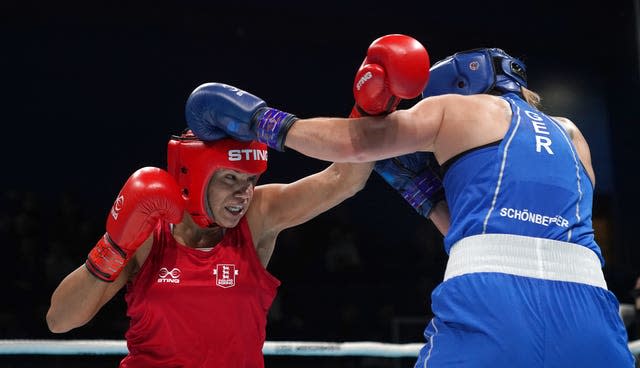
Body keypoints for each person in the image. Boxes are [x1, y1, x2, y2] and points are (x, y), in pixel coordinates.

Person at [193, 47, 635, 367]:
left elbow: (355, 143)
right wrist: (425, 197)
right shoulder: (572, 134)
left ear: (461, 84)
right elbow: (507, 231)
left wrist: (260, 120)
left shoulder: (461, 109)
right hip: (589, 306)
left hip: (493, 300)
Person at [45, 34, 431, 368]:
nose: (243, 193)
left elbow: (342, 179)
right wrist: (114, 245)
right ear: (193, 178)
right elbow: (60, 320)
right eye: (230, 178)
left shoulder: (257, 217)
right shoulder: (147, 232)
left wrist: (370, 109)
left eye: (250, 180)